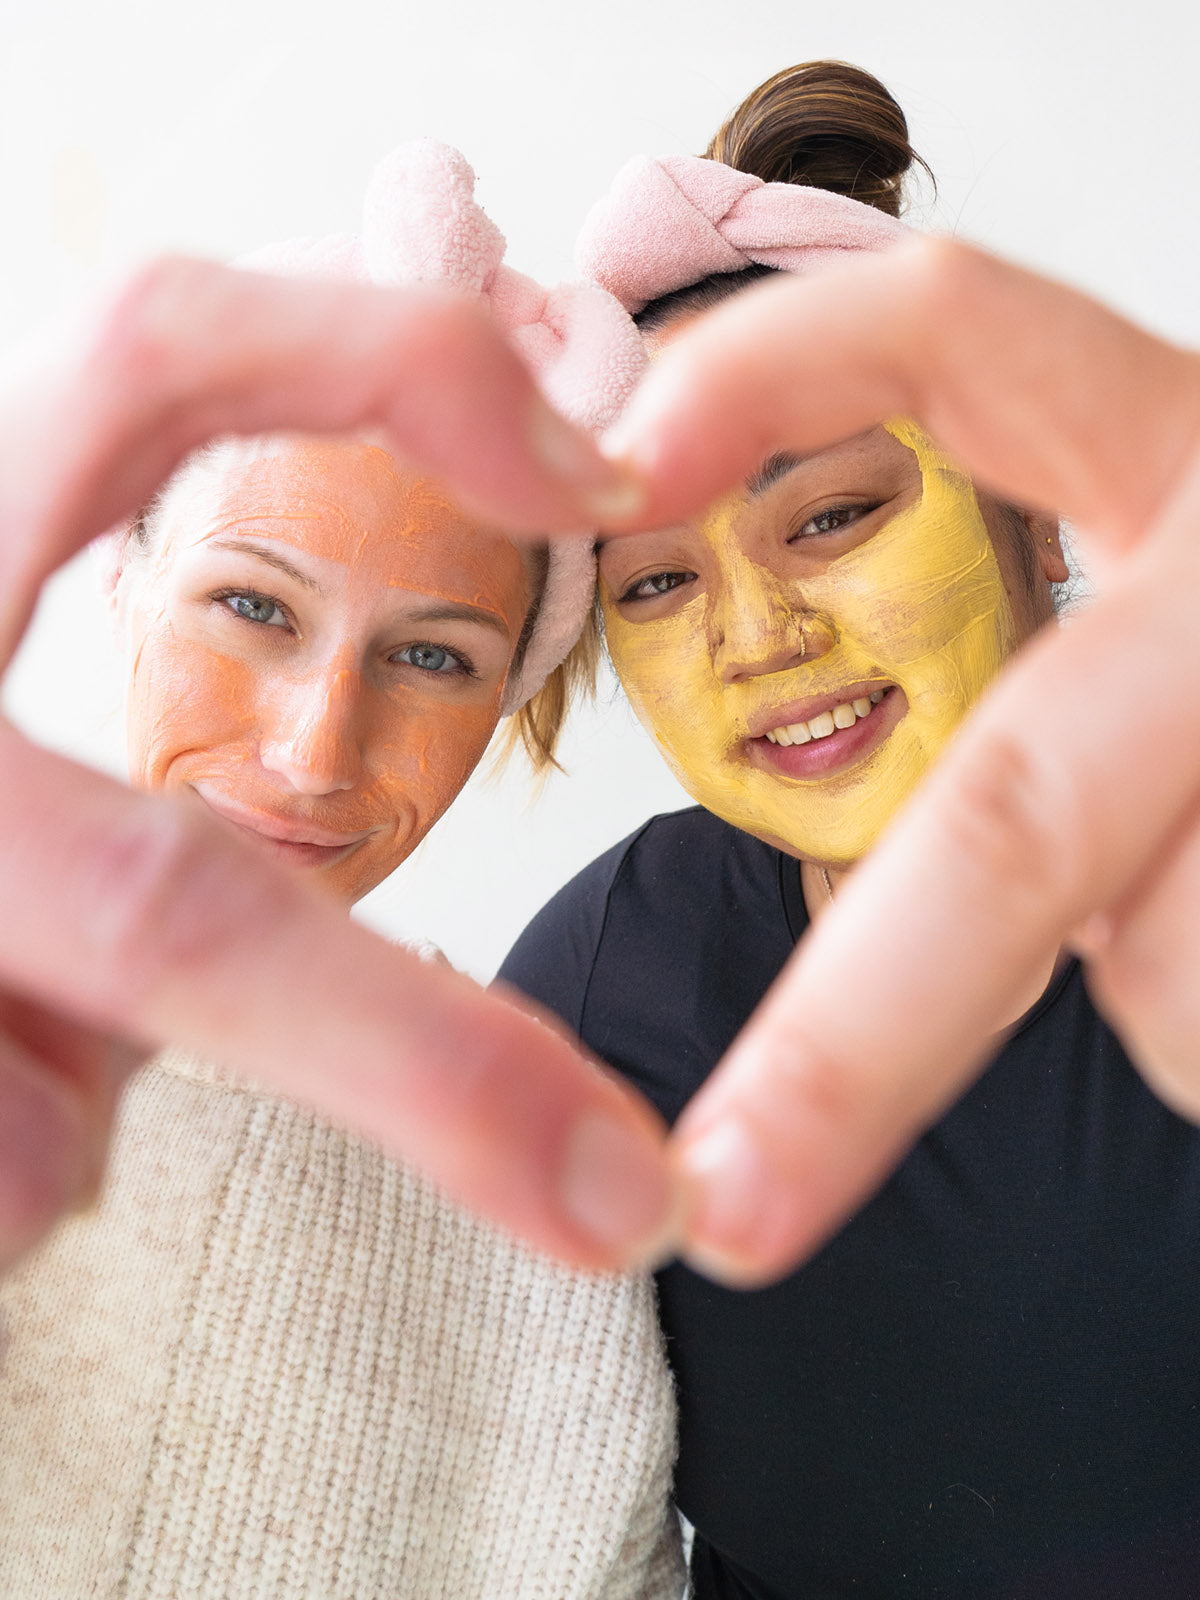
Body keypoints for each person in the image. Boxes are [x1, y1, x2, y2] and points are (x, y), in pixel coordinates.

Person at [500, 61, 1200, 1598]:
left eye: (830, 514)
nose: (759, 636)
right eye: (659, 584)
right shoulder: (607, 986)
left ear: (1036, 506)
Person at [0, 145, 684, 1600]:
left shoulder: (539, 1193)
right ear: (123, 583)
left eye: (432, 657)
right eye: (253, 606)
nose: (319, 751)